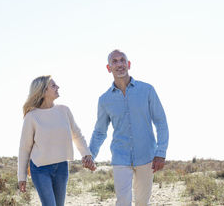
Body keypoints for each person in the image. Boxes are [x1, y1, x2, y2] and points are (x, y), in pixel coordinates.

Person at [89, 50, 169, 206]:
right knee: (123, 201)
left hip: (146, 156)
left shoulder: (147, 90)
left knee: (142, 202)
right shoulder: (104, 100)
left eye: (122, 60)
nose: (119, 64)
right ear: (108, 67)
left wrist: (161, 152)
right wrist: (90, 154)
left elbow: (161, 122)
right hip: (120, 157)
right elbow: (100, 131)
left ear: (129, 64)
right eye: (115, 61)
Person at [18, 75, 96, 206]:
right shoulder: (31, 117)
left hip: (61, 167)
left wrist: (86, 154)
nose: (57, 87)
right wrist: (22, 177)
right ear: (43, 91)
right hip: (40, 169)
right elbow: (24, 148)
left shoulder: (64, 110)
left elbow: (76, 134)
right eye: (53, 85)